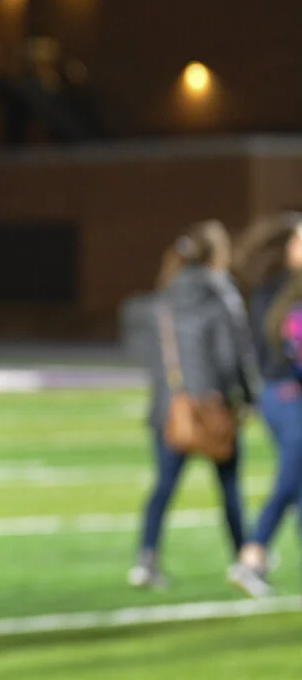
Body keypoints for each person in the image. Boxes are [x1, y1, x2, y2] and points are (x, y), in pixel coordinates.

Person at [119, 220, 258, 592]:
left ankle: (146, 560)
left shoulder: (164, 295)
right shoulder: (222, 293)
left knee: (163, 488)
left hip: (170, 408)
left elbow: (150, 356)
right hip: (212, 406)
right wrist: (247, 397)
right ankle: (245, 559)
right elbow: (233, 356)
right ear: (218, 253)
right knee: (229, 488)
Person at [231, 212, 302, 595]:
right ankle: (252, 555)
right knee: (290, 478)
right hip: (289, 394)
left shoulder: (269, 289)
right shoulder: (284, 291)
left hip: (275, 395)